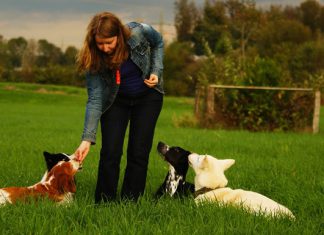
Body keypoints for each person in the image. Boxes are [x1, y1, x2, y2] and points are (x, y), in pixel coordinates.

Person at [74, 11, 164, 203]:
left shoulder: (139, 32)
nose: (105, 48)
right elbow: (95, 99)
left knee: (139, 152)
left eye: (109, 42)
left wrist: (156, 70)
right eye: (100, 43)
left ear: (120, 36)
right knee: (110, 152)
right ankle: (104, 202)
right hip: (116, 100)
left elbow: (158, 43)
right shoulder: (94, 59)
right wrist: (86, 140)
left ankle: (130, 202)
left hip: (148, 98)